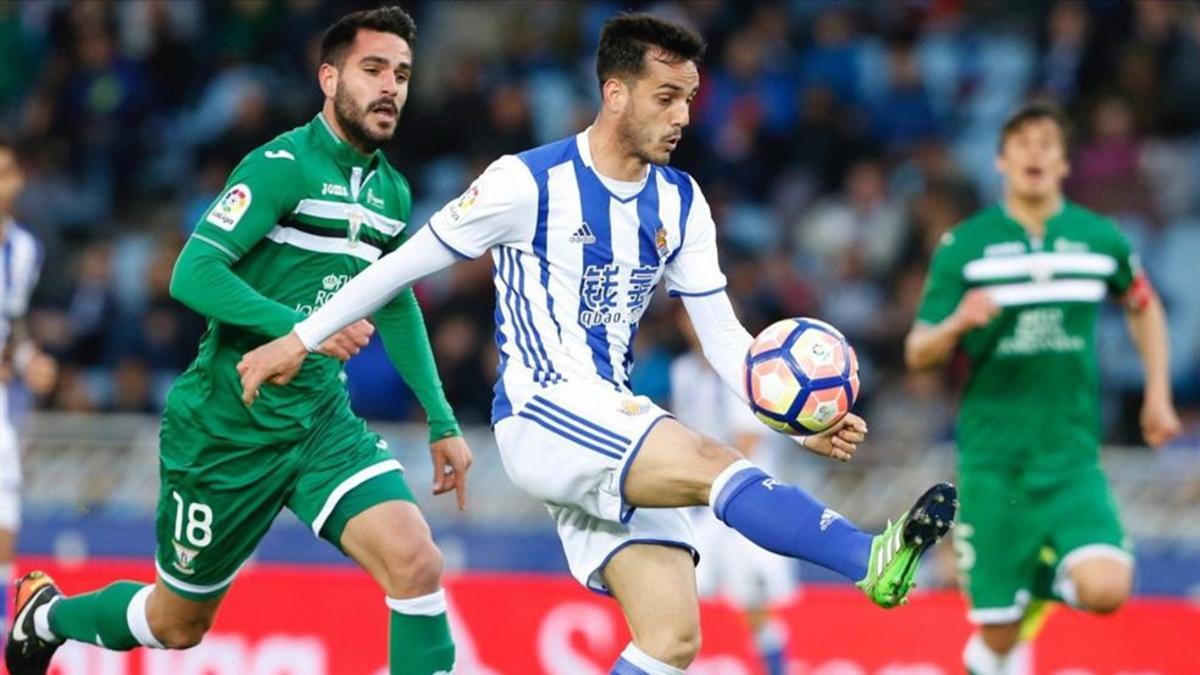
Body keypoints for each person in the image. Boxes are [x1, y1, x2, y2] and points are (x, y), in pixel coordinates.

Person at [239, 14, 956, 674]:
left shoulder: (680, 200)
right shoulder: (525, 183)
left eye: (689, 99)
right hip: (543, 410)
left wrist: (800, 419)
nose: (681, 116)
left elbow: (728, 343)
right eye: (666, 96)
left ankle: (861, 559)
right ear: (615, 93)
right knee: (711, 459)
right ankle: (871, 557)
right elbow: (404, 262)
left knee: (673, 636)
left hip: (611, 419)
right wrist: (298, 338)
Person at [6, 8, 473, 675]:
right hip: (227, 425)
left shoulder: (392, 193)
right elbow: (191, 273)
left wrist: (441, 417)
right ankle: (46, 615)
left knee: (416, 559)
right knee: (177, 622)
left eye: (401, 73)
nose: (390, 87)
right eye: (373, 70)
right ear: (329, 77)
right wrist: (302, 330)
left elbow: (393, 297)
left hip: (318, 423)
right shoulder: (282, 164)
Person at [905, 100, 1182, 675]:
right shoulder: (968, 245)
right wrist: (959, 323)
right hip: (993, 462)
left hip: (1071, 458)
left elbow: (1144, 306)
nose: (1035, 153)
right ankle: (1004, 615)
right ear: (1001, 160)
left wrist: (1158, 392)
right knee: (998, 637)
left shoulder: (1097, 238)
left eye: (1047, 144)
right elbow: (918, 352)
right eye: (1022, 143)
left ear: (1063, 162)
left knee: (1107, 588)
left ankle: (1027, 582)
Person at [670, 308, 795, 675]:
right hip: (703, 498)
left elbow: (747, 441)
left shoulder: (751, 372)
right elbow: (680, 432)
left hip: (749, 497)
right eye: (686, 319)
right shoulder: (683, 372)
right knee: (683, 592)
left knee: (754, 602)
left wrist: (696, 464)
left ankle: (777, 668)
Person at [0, 138, 58, 649]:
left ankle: (3, 629)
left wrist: (28, 360)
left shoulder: (23, 250)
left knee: (5, 507)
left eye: (7, 172)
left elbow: (12, 324)